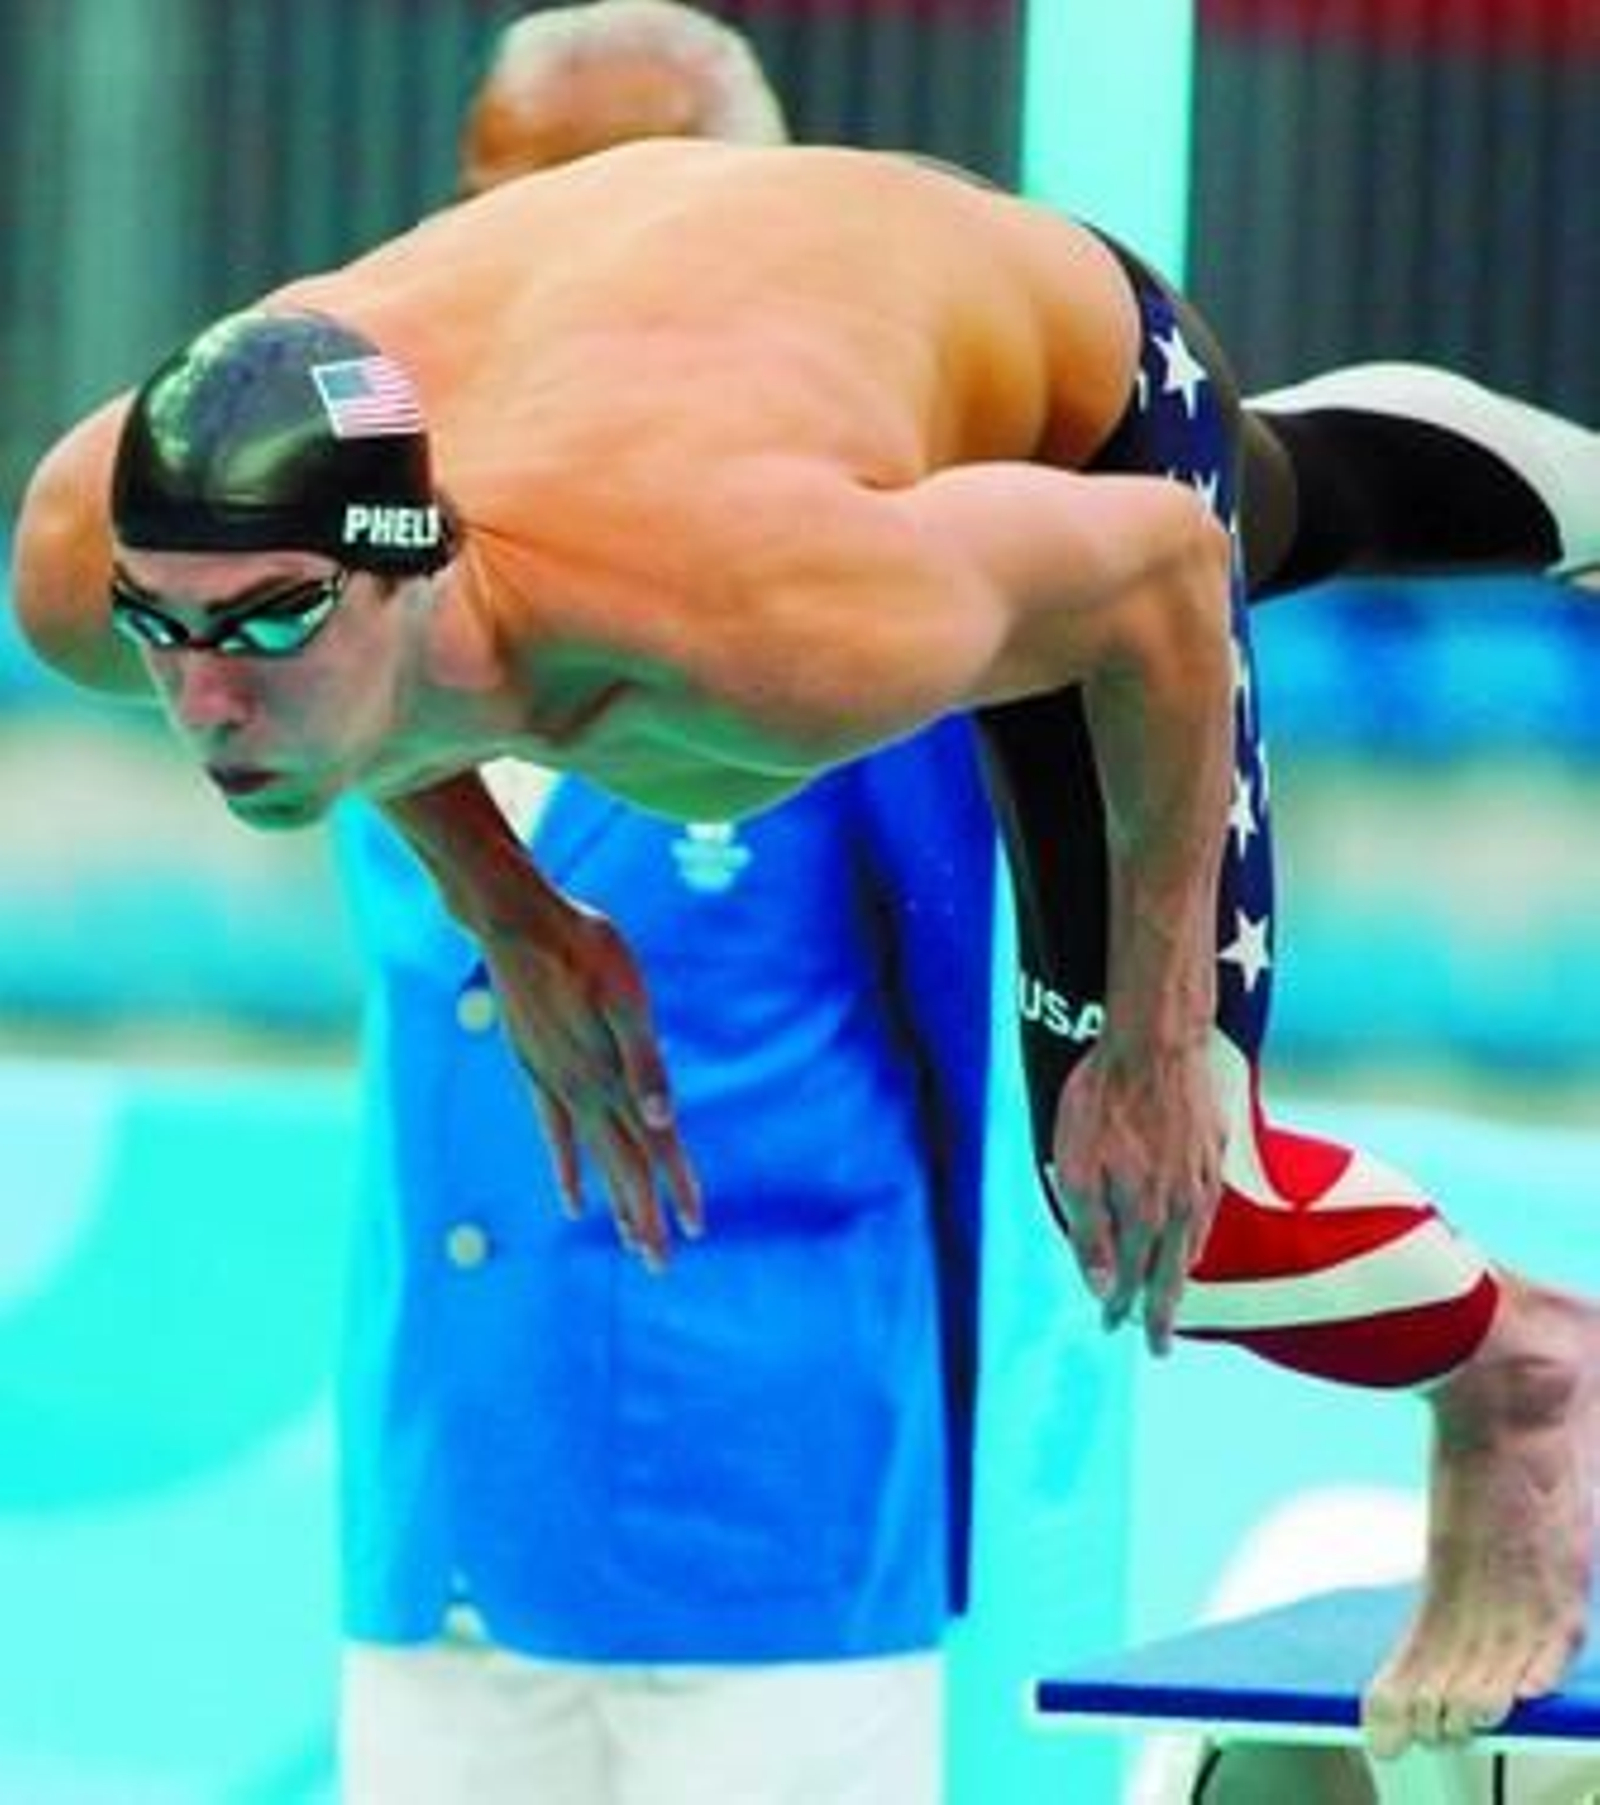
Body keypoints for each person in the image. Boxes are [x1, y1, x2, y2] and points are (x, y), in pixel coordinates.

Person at [14, 107, 1600, 1760]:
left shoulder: (757, 617)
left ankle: (1525, 1369)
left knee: (1182, 1208)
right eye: (164, 628)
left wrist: (1148, 1029)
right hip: (706, 304)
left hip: (1062, 395)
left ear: (412, 575)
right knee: (1287, 506)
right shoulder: (96, 566)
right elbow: (332, 688)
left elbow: (1161, 572)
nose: (202, 697)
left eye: (263, 623)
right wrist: (518, 910)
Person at [335, 7, 996, 1800]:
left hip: (766, 1535)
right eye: (491, 207)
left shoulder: (877, 577)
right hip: (439, 1518)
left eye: (603, 205)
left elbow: (974, 1042)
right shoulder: (345, 566)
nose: (528, 265)